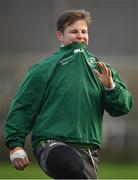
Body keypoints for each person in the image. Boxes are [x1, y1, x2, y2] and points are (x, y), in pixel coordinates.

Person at [4, 9, 132, 179]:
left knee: (76, 171)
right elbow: (23, 106)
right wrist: (15, 145)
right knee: (71, 166)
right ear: (60, 36)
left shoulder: (103, 70)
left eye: (83, 31)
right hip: (50, 143)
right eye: (74, 31)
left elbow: (122, 107)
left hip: (89, 149)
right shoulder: (43, 69)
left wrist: (110, 86)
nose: (80, 36)